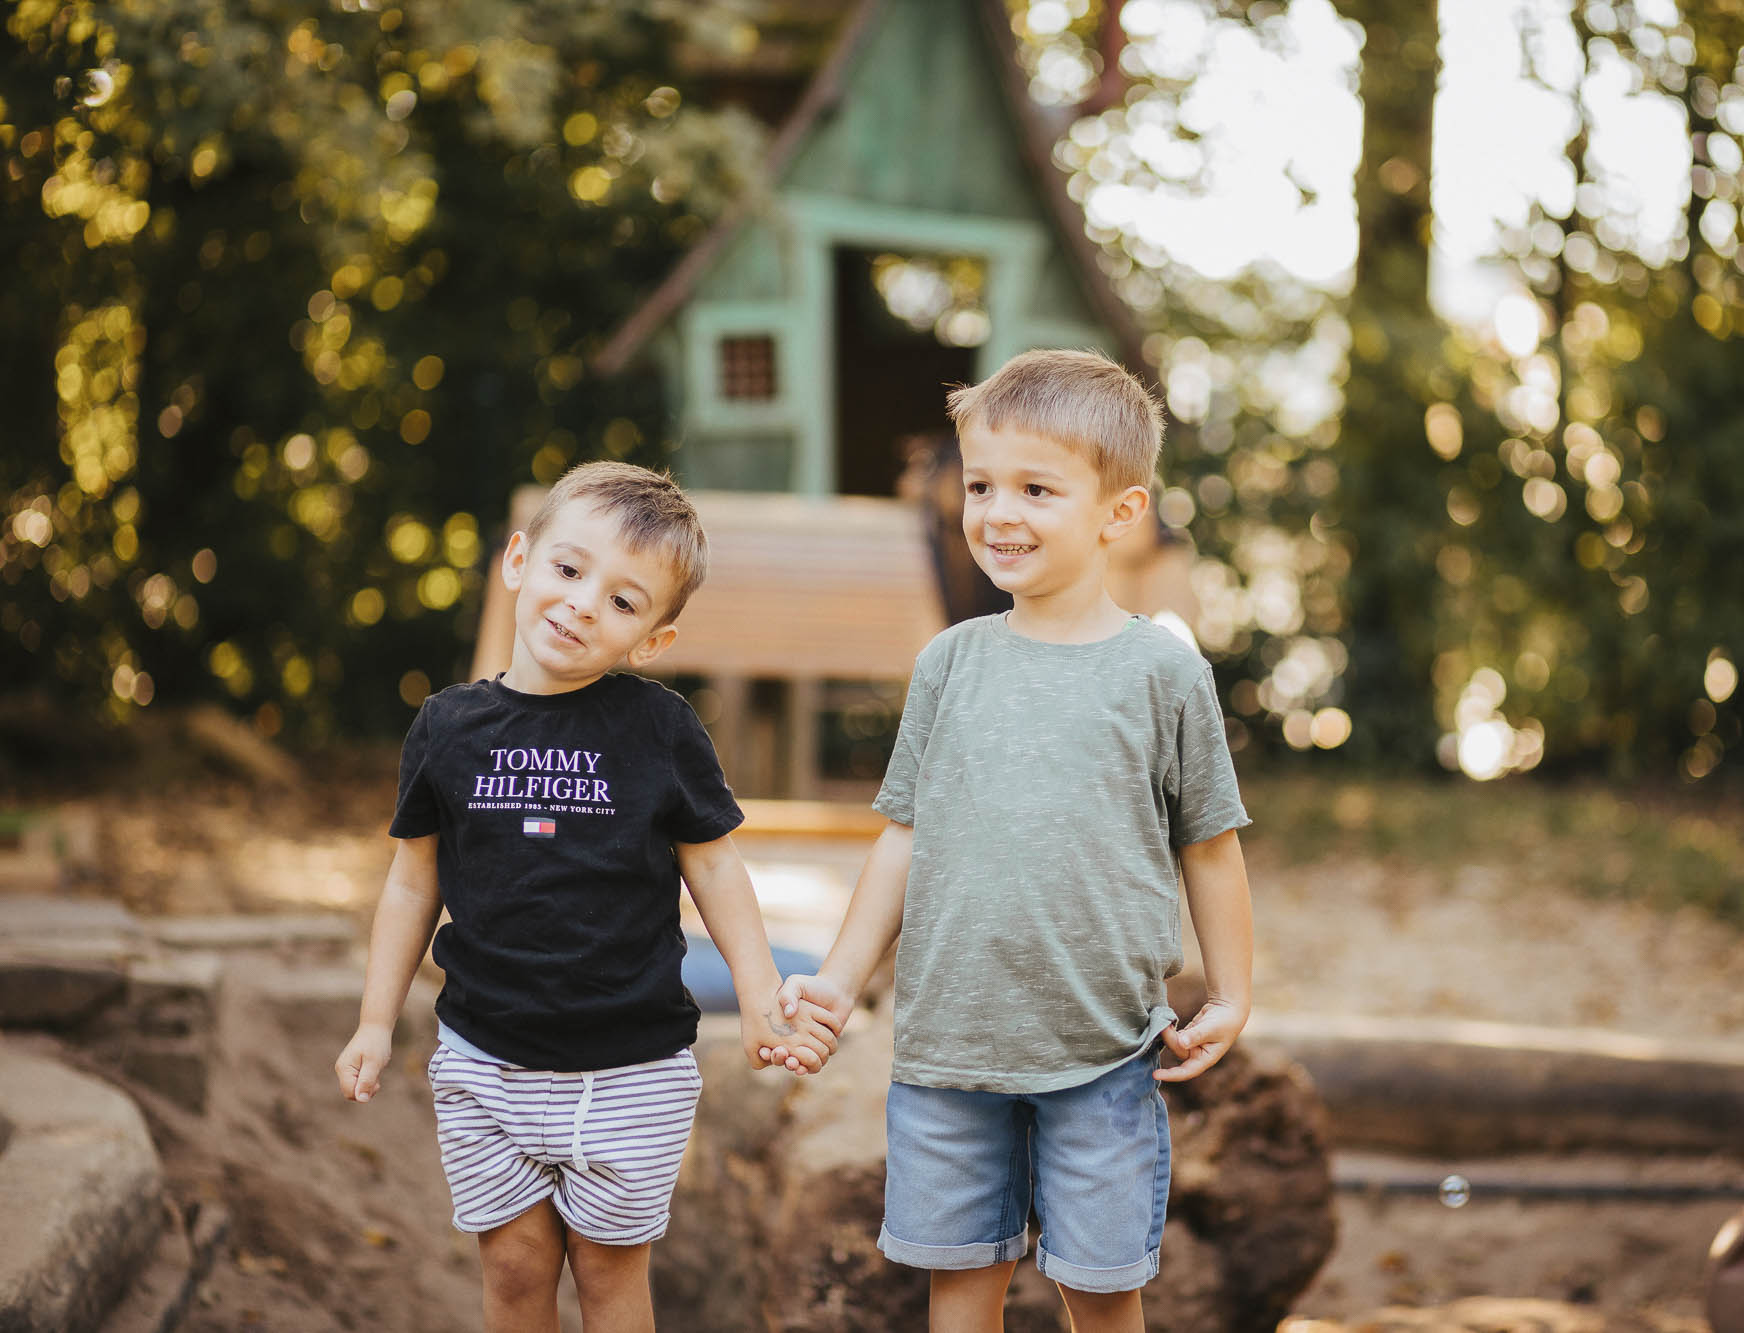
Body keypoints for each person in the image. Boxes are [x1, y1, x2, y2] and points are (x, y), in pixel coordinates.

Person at [767, 349, 1254, 1333]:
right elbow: (902, 836)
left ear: (1118, 514)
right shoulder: (948, 665)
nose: (997, 512)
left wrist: (1234, 992)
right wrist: (838, 976)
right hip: (949, 1049)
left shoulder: (1161, 674)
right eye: (981, 485)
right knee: (958, 1294)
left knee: (1103, 1293)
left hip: (1103, 1050)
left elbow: (1209, 843)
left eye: (1036, 488)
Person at [335, 461, 840, 1333]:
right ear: (520, 561)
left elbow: (717, 869)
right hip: (485, 1058)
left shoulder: (659, 728)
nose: (580, 604)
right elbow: (413, 880)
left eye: (622, 600)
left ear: (650, 640)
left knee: (609, 1275)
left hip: (630, 1063)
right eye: (570, 571)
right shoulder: (447, 727)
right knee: (516, 1268)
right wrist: (376, 1020)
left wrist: (761, 1001)